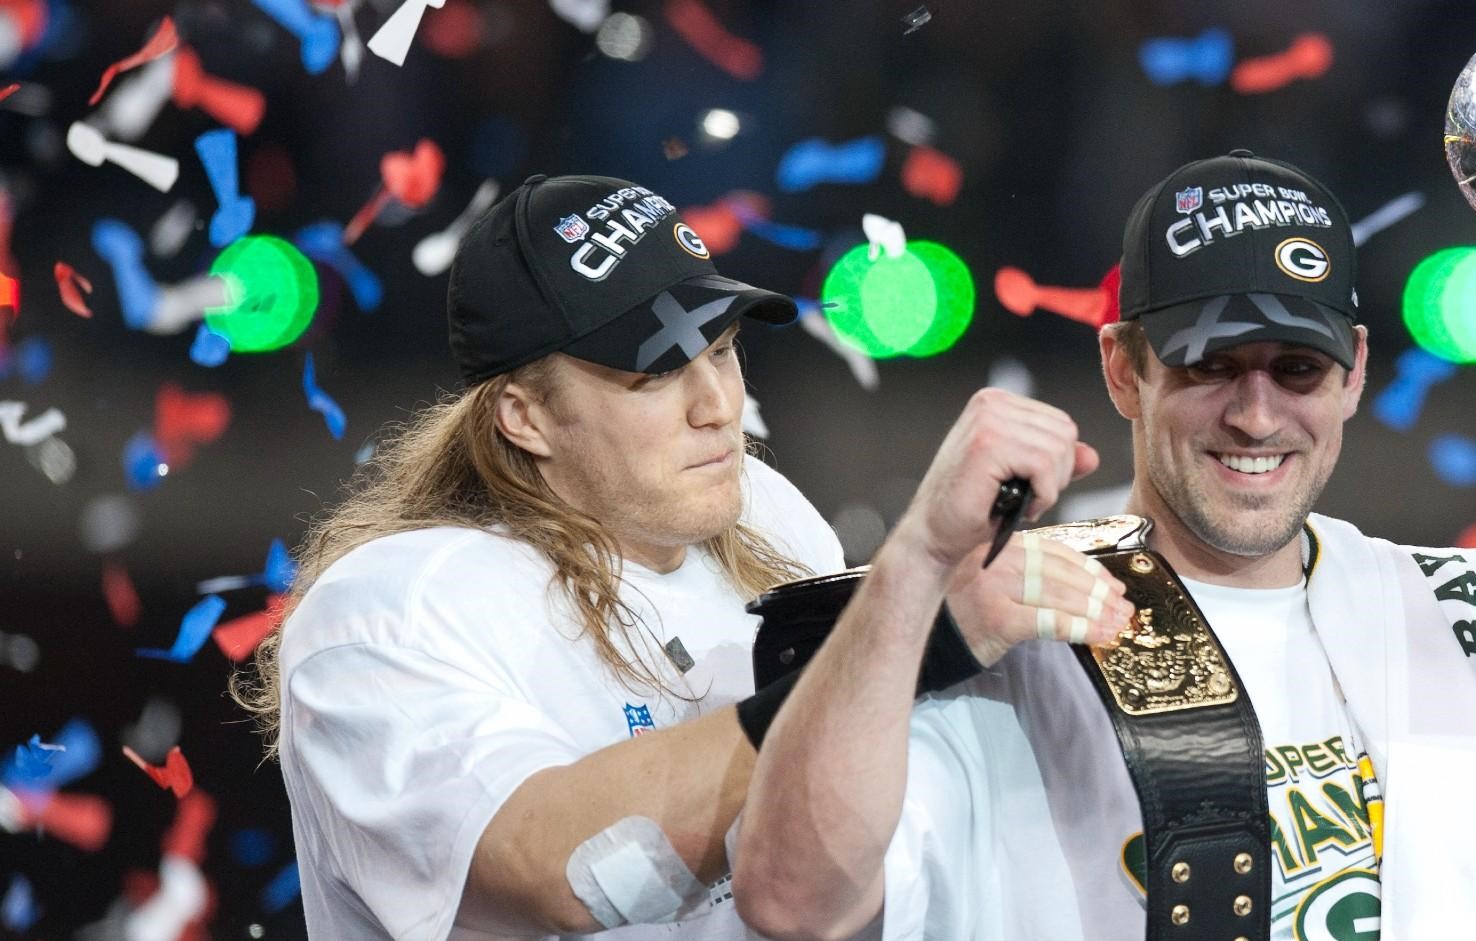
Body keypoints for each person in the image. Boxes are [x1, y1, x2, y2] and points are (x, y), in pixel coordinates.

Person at [728, 152, 1476, 940]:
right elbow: (791, 898)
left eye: (1296, 369)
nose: (1257, 414)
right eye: (1210, 367)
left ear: (1358, 373)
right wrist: (920, 575)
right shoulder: (1008, 623)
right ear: (1121, 368)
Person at [228, 174, 1069, 940]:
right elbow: (564, 873)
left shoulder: (768, 517)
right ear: (524, 415)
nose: (718, 407)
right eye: (657, 372)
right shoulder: (387, 610)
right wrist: (896, 631)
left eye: (722, 349)